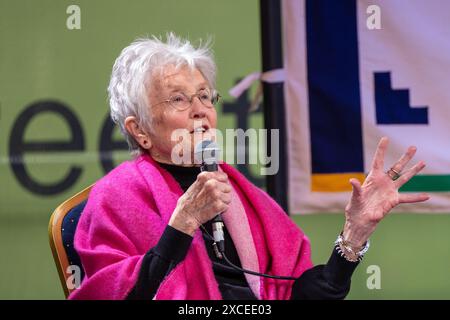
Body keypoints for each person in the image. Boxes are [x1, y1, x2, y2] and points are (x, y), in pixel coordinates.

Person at [69, 33, 429, 300]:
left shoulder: (239, 191)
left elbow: (302, 294)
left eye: (205, 96)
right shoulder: (114, 197)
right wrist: (180, 227)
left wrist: (353, 235)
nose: (200, 110)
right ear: (140, 131)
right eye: (178, 99)